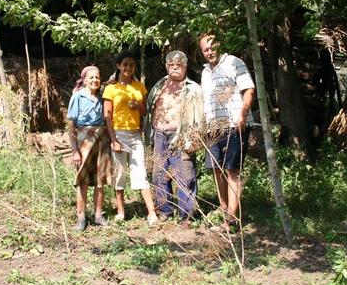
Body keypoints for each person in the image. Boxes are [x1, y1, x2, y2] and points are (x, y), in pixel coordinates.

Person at [199, 34, 256, 232]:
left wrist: (243, 114)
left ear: (219, 46)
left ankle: (232, 220)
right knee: (216, 168)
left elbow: (249, 89)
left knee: (233, 169)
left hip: (234, 124)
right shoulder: (205, 72)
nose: (210, 52)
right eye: (206, 49)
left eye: (212, 47)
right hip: (213, 128)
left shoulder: (233, 62)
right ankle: (224, 210)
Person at [145, 50, 203, 226]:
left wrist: (196, 138)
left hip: (181, 136)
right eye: (171, 64)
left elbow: (199, 116)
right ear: (166, 66)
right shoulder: (159, 85)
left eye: (179, 64)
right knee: (159, 175)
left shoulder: (192, 88)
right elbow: (149, 108)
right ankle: (165, 210)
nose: (175, 67)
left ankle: (186, 216)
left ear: (185, 67)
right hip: (159, 135)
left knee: (184, 175)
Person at [102, 51, 159, 226]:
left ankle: (151, 213)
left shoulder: (139, 87)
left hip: (136, 135)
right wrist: (114, 140)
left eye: (132, 65)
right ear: (118, 66)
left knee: (140, 172)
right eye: (125, 64)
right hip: (118, 134)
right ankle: (121, 211)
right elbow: (107, 117)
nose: (128, 68)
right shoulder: (111, 88)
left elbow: (145, 112)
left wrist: (139, 105)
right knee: (119, 174)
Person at [67, 65, 114, 231]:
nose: (95, 80)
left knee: (100, 180)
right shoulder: (78, 97)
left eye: (97, 77)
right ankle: (81, 217)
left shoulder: (102, 99)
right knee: (83, 181)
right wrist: (74, 151)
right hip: (83, 140)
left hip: (101, 140)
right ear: (85, 80)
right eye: (91, 77)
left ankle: (98, 215)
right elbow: (71, 127)